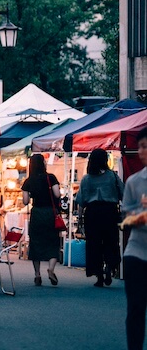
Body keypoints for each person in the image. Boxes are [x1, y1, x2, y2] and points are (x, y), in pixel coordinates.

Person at [77, 148, 124, 287]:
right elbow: (122, 192)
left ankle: (98, 275)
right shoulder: (112, 176)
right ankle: (110, 267)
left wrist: (79, 219)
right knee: (111, 241)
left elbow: (81, 201)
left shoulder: (86, 179)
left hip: (92, 213)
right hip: (110, 212)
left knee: (94, 244)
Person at [122, 128, 147, 350]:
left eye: (145, 147)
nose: (141, 152)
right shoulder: (133, 181)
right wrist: (137, 216)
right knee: (136, 307)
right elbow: (127, 214)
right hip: (136, 252)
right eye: (140, 147)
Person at [21, 153, 62, 286]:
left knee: (36, 242)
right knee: (53, 241)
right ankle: (51, 269)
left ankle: (37, 274)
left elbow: (26, 201)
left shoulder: (28, 181)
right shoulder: (51, 178)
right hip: (50, 213)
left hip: (37, 213)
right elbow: (56, 194)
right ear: (43, 164)